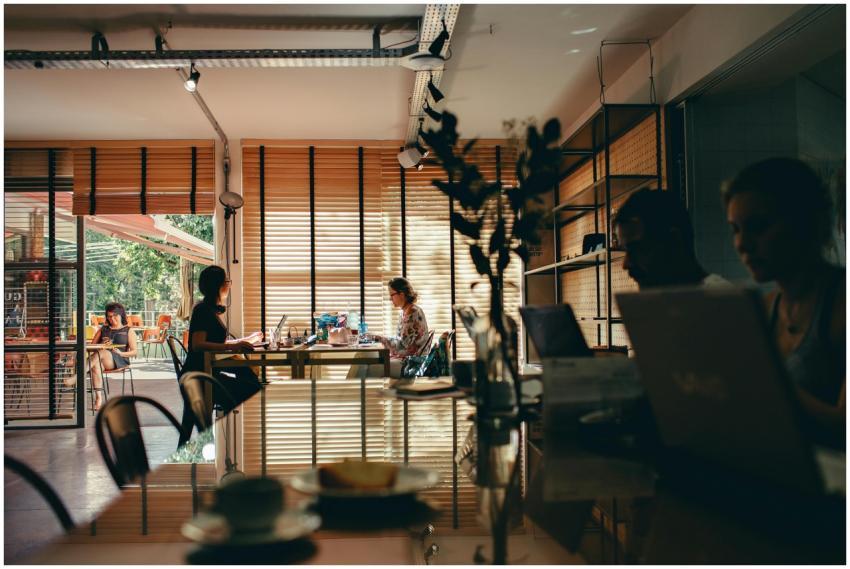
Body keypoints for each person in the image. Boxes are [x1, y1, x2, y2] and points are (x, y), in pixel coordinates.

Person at [723, 157, 845, 446]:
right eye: (736, 229)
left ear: (807, 222)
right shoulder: (765, 309)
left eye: (759, 226)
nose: (743, 243)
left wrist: (767, 383)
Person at [182, 265, 263, 411]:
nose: (229, 285)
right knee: (252, 389)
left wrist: (247, 340)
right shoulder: (202, 310)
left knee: (249, 379)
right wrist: (233, 346)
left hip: (206, 372)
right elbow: (198, 344)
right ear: (218, 285)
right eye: (227, 281)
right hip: (199, 377)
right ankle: (236, 427)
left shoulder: (208, 309)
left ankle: (237, 426)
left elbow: (216, 343)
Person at [613, 189, 728, 289]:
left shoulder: (721, 303)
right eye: (625, 251)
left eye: (637, 249)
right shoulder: (667, 305)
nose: (626, 264)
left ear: (673, 241)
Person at [89, 302, 138, 411]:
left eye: (115, 315)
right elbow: (91, 347)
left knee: (102, 353)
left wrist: (121, 353)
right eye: (109, 316)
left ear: (121, 315)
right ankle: (98, 398)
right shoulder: (103, 330)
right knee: (95, 366)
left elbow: (134, 352)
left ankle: (79, 374)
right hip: (102, 360)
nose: (112, 319)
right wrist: (101, 345)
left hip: (120, 359)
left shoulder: (128, 331)